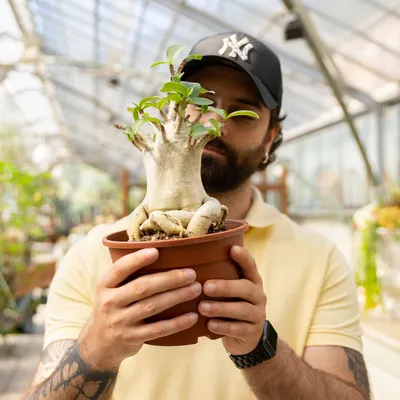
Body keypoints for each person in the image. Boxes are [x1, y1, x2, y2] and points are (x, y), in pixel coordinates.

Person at [25, 31, 370, 400]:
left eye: (243, 111)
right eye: (201, 100)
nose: (216, 124)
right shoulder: (95, 256)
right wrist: (99, 346)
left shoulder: (320, 260)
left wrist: (261, 349)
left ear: (271, 138)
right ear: (170, 112)